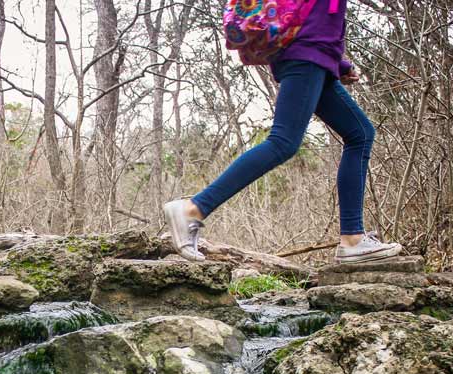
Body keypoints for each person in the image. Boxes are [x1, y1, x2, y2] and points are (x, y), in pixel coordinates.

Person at [163, 0, 402, 264]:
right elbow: (319, 19)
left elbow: (318, 15)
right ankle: (193, 209)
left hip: (313, 55)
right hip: (308, 54)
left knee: (360, 133)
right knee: (283, 141)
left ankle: (352, 238)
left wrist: (338, 65)